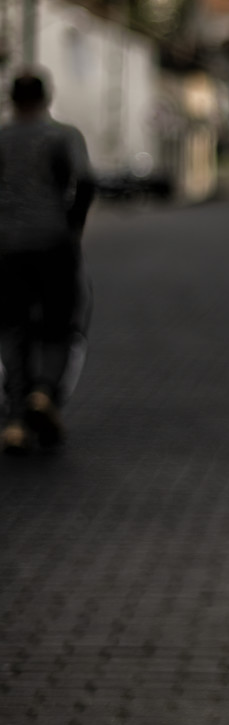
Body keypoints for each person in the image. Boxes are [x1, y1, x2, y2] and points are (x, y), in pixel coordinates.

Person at [0, 69, 96, 453]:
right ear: (47, 97)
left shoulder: (2, 139)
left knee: (12, 325)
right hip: (53, 243)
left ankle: (16, 418)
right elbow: (86, 180)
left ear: (11, 99)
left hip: (6, 246)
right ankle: (44, 392)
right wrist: (72, 226)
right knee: (60, 321)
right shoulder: (63, 135)